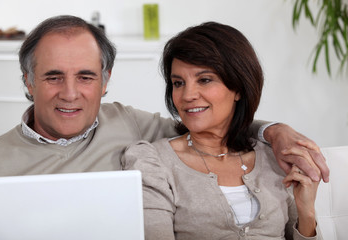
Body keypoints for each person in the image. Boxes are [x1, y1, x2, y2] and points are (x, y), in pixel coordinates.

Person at [0, 15, 327, 182]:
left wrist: (274, 130)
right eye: (53, 76)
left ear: (105, 81)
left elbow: (211, 125)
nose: (71, 93)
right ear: (28, 81)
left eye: (86, 76)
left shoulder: (130, 123)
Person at [122, 22, 323, 239]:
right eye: (178, 83)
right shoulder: (153, 162)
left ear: (238, 87)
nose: (188, 95)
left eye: (205, 80)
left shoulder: (272, 155)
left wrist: (307, 212)